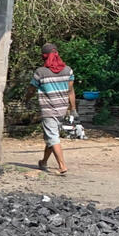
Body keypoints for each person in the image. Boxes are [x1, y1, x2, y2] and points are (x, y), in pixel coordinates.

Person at [30, 43, 76, 174]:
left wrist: (26, 99)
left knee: (53, 137)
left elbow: (31, 89)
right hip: (62, 109)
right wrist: (73, 108)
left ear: (44, 56)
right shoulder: (68, 70)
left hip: (49, 110)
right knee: (51, 136)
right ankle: (43, 162)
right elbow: (71, 91)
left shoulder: (40, 72)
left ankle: (62, 166)